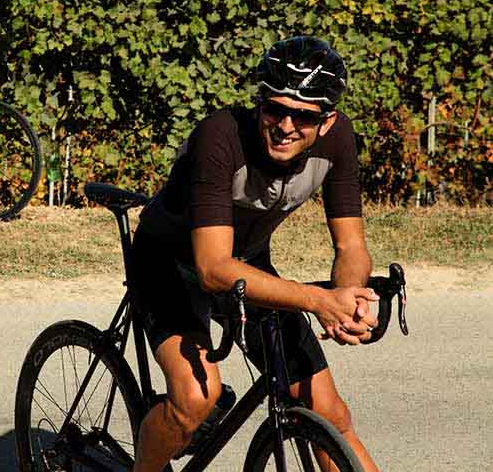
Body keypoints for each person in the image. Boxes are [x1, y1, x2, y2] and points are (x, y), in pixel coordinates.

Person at [130, 35, 380, 472]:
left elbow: (351, 245)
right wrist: (319, 301)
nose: (285, 125)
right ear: (260, 103)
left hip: (244, 261)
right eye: (275, 108)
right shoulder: (220, 135)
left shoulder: (339, 141)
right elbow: (212, 269)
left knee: (329, 412)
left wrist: (351, 295)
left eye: (302, 115)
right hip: (171, 263)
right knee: (195, 398)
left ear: (326, 120)